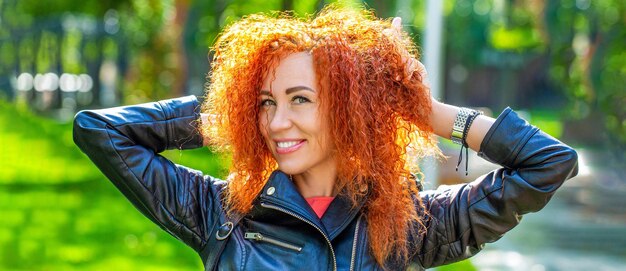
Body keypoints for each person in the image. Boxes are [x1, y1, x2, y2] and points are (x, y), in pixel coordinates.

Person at [73, 5, 578, 271]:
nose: (276, 122)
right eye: (266, 102)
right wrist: (235, 114)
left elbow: (548, 163)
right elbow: (100, 131)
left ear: (347, 112)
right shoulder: (219, 212)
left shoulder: (412, 226)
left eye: (300, 100)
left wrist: (426, 111)